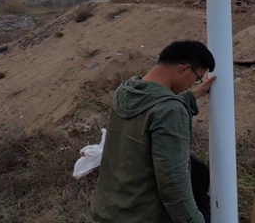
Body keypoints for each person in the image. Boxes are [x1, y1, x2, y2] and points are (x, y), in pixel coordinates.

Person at [91, 40, 216, 223]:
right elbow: (173, 181)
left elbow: (152, 108)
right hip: (143, 215)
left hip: (110, 210)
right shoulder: (170, 110)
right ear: (184, 69)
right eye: (197, 77)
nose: (192, 83)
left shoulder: (126, 91)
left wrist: (194, 94)